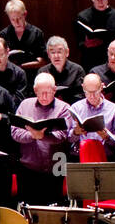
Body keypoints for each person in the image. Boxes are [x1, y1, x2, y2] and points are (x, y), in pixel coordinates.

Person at [11, 73, 74, 204]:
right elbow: (15, 132)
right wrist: (33, 135)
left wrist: (42, 136)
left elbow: (63, 135)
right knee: (30, 210)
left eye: (48, 92)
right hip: (29, 167)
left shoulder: (64, 108)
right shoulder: (25, 105)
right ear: (35, 91)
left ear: (54, 90)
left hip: (56, 166)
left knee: (55, 209)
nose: (44, 96)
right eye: (41, 93)